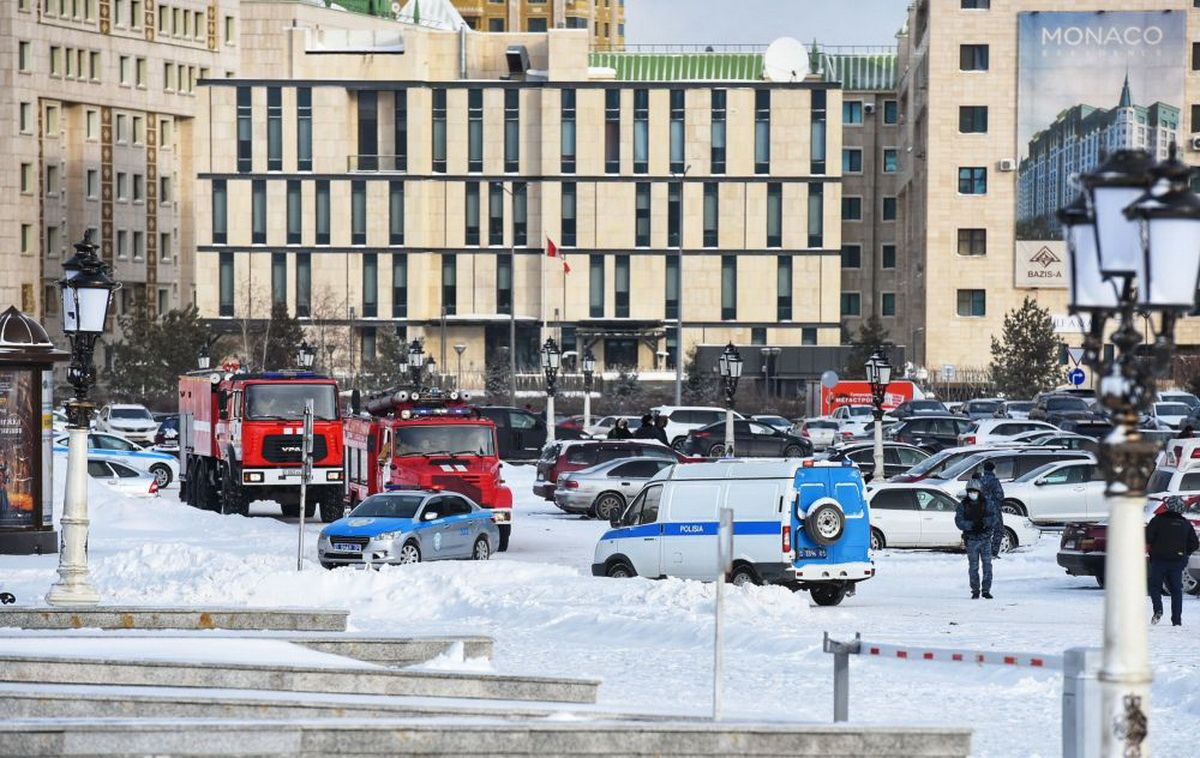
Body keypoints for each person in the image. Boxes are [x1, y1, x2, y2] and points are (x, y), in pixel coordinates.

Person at [1146, 496, 1199, 627]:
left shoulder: (1157, 520)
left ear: (1168, 506)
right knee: (1176, 590)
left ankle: (1158, 609)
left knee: (1155, 586)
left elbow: (1148, 537)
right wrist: (1185, 554)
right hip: (1177, 561)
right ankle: (1176, 620)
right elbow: (1194, 544)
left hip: (1158, 559)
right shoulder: (1186, 524)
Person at [955, 477, 999, 599]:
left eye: (974, 491)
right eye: (970, 491)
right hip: (972, 540)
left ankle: (986, 590)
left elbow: (994, 518)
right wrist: (972, 525)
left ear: (979, 491)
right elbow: (959, 521)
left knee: (987, 566)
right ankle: (975, 590)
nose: (972, 494)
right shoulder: (963, 505)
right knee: (973, 567)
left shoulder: (987, 503)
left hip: (985, 539)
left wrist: (984, 523)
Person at [980, 460, 1006, 558]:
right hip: (993, 509)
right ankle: (993, 552)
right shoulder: (994, 481)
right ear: (993, 469)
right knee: (998, 530)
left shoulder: (979, 480)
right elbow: (1000, 495)